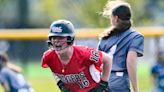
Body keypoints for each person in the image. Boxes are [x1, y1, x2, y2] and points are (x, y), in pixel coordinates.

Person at [41, 19, 112, 92]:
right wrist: (60, 83)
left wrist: (103, 83)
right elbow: (54, 69)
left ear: (70, 39)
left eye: (61, 38)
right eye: (54, 38)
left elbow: (108, 60)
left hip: (94, 88)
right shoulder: (48, 57)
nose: (56, 41)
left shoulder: (84, 53)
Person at [97, 0, 144, 92]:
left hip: (102, 80)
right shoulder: (136, 36)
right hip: (119, 82)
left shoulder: (105, 37)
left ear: (116, 18)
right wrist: (136, 89)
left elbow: (97, 62)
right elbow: (130, 62)